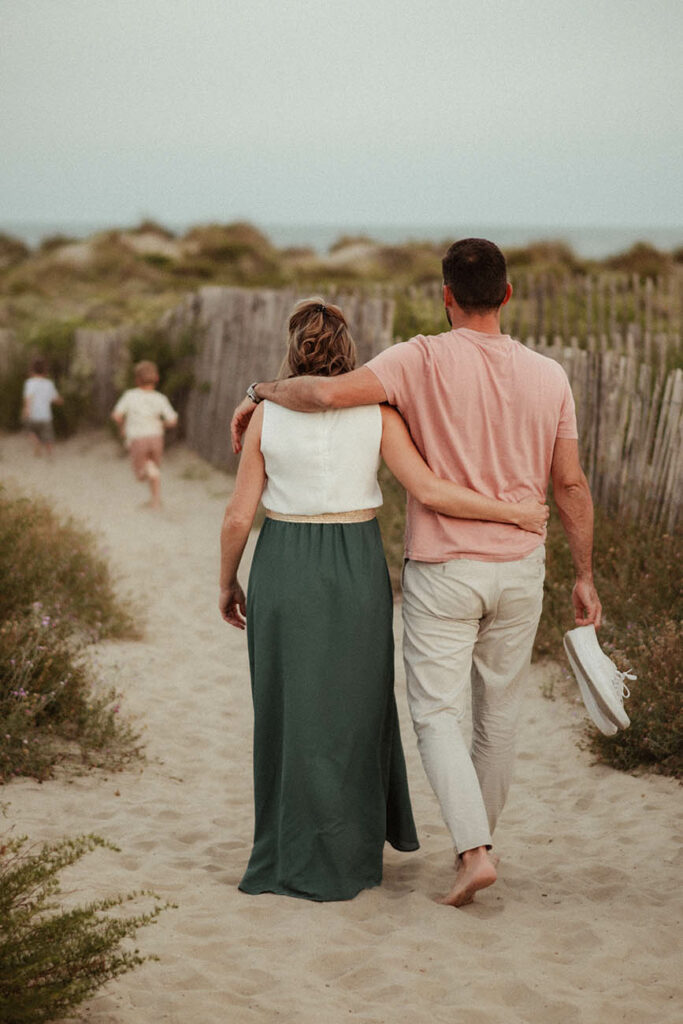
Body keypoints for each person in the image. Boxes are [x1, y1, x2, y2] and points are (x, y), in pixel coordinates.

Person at [230, 240, 602, 908]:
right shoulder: (549, 375)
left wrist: (257, 392)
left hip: (443, 567)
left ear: (445, 295)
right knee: (500, 715)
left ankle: (472, 850)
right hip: (521, 566)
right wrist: (584, 573)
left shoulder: (417, 357)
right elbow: (570, 483)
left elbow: (319, 394)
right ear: (508, 294)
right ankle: (476, 843)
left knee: (435, 714)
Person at [111, 360, 178, 509]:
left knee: (140, 473)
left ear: (136, 380)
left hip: (138, 438)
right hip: (156, 438)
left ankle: (152, 476)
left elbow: (117, 415)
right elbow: (172, 420)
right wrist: (162, 424)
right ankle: (155, 501)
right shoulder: (160, 398)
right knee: (153, 467)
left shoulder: (130, 396)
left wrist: (122, 427)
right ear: (157, 379)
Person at [22, 357, 63, 457]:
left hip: (33, 414)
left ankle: (36, 442)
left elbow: (29, 397)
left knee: (30, 431)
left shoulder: (29, 383)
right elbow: (56, 399)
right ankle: (50, 454)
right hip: (46, 416)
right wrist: (60, 400)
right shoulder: (49, 384)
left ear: (31, 370)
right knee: (48, 436)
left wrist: (26, 410)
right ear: (45, 371)